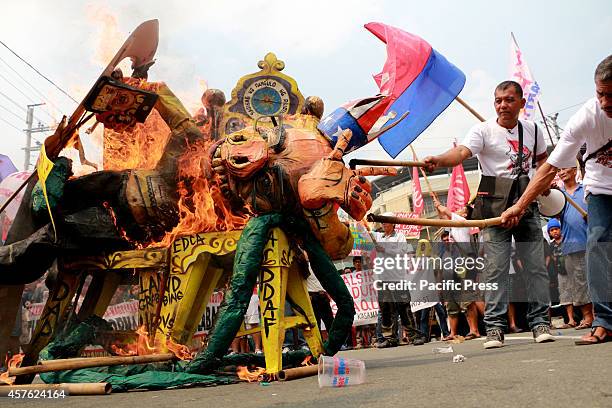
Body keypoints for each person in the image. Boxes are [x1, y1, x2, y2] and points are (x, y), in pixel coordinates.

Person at [424, 80, 554, 349]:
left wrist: (545, 183)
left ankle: (541, 322)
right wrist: (438, 159)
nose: (502, 105)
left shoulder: (533, 130)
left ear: (520, 103)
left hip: (526, 204)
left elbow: (542, 163)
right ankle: (495, 328)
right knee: (495, 271)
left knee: (536, 267)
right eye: (498, 100)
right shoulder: (482, 130)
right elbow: (461, 153)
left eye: (508, 99)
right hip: (494, 207)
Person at [502, 55, 612, 345]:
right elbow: (547, 168)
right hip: (601, 188)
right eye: (601, 94)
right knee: (598, 242)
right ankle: (605, 322)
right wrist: (520, 205)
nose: (605, 102)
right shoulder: (587, 117)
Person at [374, 213, 426, 347]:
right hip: (383, 279)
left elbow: (401, 252)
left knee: (404, 308)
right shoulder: (378, 236)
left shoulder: (400, 236)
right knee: (386, 310)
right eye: (382, 222)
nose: (384, 224)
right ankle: (390, 338)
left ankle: (414, 336)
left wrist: (384, 249)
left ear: (392, 223)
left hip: (397, 278)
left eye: (386, 222)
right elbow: (365, 233)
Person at [434, 202, 482, 340]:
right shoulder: (453, 226)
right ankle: (453, 333)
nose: (458, 210)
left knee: (467, 300)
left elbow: (446, 212)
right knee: (451, 303)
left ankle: (474, 330)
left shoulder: (462, 222)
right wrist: (438, 209)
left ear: (465, 214)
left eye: (461, 209)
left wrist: (439, 205)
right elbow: (443, 217)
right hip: (450, 269)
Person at [557, 167, 594, 329]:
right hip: (571, 244)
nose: (561, 172)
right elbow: (550, 213)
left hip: (593, 242)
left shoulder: (586, 188)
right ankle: (588, 318)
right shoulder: (558, 195)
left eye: (564, 169)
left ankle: (602, 316)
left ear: (574, 170)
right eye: (558, 170)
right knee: (579, 284)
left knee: (598, 280)